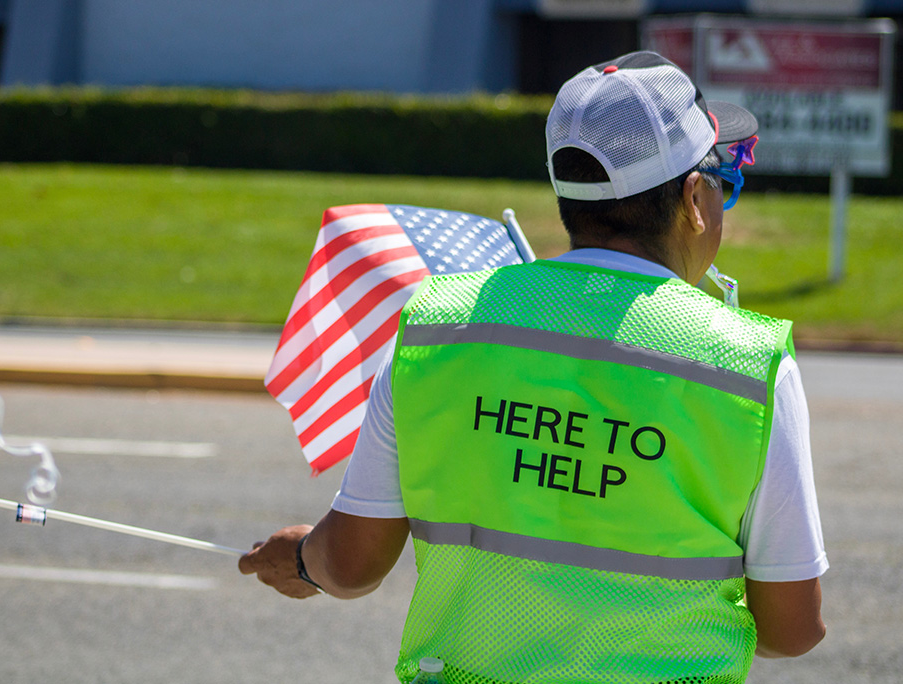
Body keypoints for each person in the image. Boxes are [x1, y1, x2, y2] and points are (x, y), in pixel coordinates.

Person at [239, 51, 827, 683]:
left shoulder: (438, 326)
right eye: (723, 183)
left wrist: (302, 558)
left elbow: (351, 565)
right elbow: (793, 629)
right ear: (693, 198)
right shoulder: (747, 366)